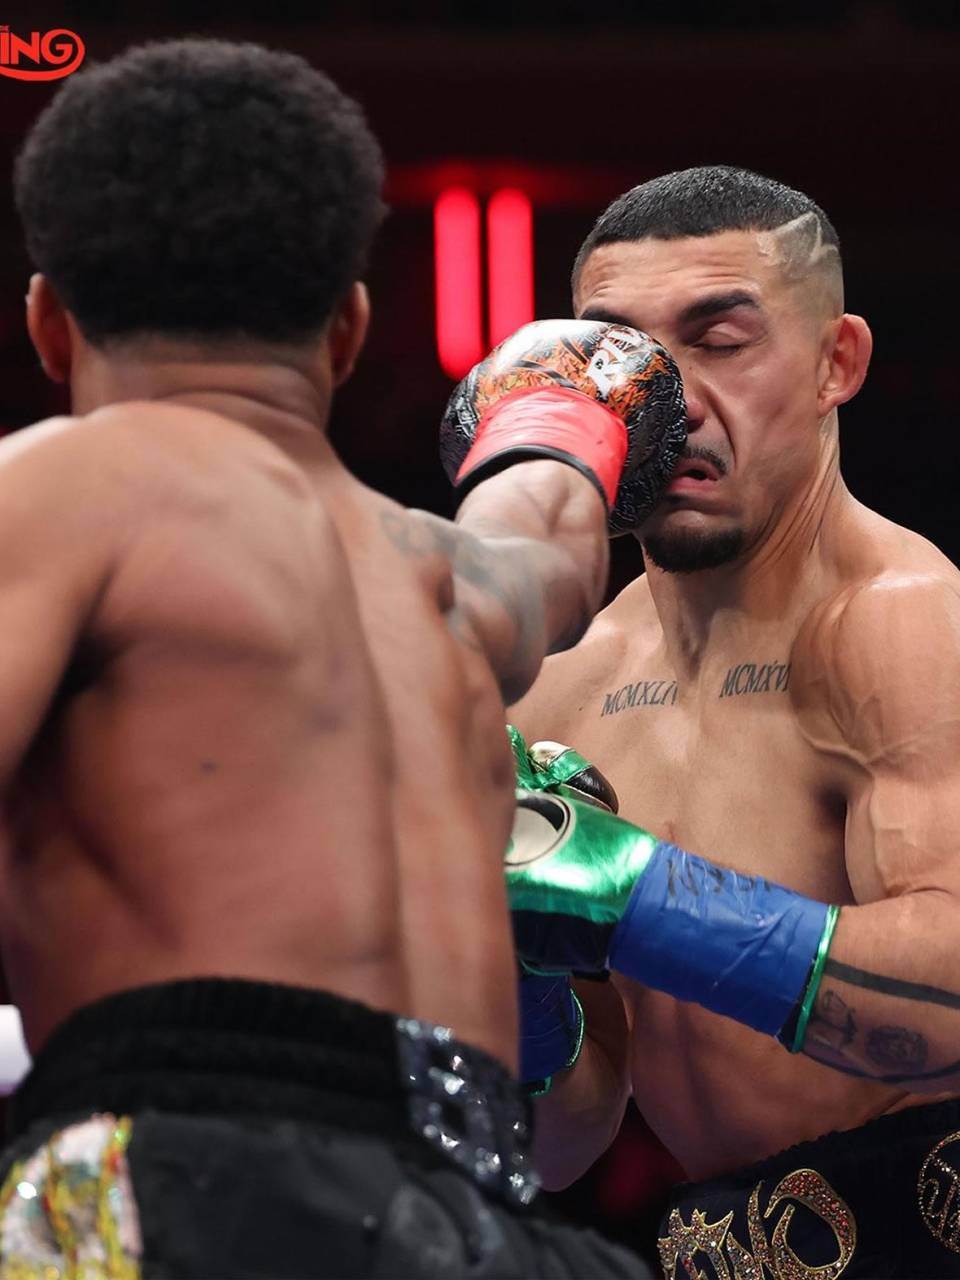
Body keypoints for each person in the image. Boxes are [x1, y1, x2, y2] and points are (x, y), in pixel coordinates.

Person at [0, 37, 687, 1278]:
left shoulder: (53, 487)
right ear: (352, 326)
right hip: (482, 1215)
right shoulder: (441, 577)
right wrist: (566, 402)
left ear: (49, 324)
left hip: (188, 1181)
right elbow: (551, 543)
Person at [509, 165, 960, 1278]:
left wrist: (638, 896)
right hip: (726, 1245)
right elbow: (565, 1144)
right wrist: (523, 993)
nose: (664, 395)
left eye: (718, 339)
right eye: (619, 352)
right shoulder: (563, 682)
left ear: (834, 364)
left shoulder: (902, 625)